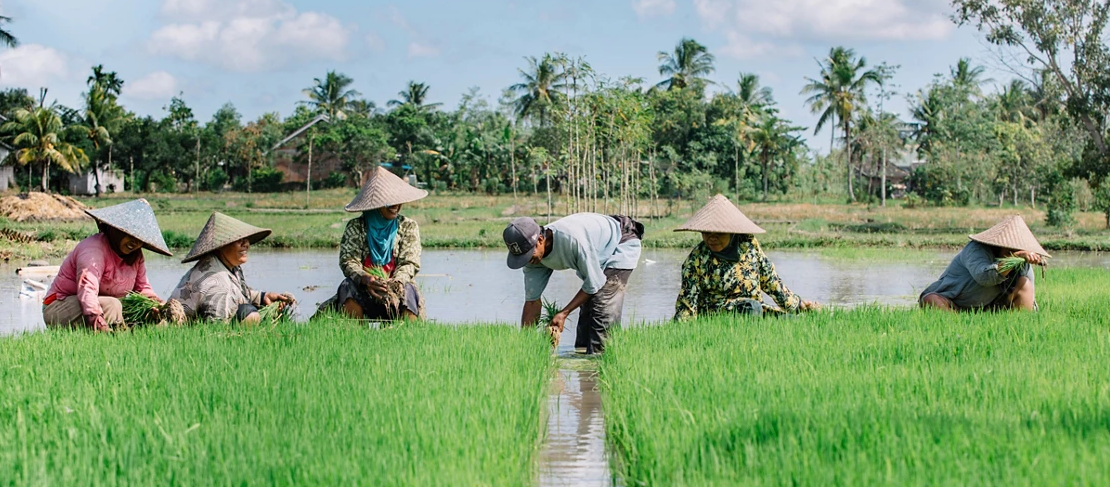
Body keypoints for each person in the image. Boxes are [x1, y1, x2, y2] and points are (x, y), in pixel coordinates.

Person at [503, 212, 643, 354]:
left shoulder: (571, 240)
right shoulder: (532, 259)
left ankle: (601, 361)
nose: (526, 261)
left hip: (620, 241)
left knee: (602, 305)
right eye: (522, 257)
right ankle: (583, 367)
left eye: (527, 255)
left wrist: (563, 313)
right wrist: (525, 347)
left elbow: (594, 282)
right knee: (587, 311)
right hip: (596, 251)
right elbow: (532, 303)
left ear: (540, 240)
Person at [673, 194, 820, 320]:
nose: (712, 238)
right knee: (751, 308)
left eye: (718, 233)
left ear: (731, 232)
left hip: (755, 309)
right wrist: (680, 328)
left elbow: (770, 280)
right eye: (706, 233)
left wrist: (797, 304)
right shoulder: (696, 259)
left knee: (791, 320)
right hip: (718, 313)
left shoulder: (749, 246)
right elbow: (687, 302)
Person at [42, 199, 173, 332]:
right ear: (116, 230)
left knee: (151, 315)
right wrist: (99, 324)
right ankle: (109, 339)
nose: (134, 243)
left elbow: (142, 288)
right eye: (129, 235)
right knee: (112, 305)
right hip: (59, 307)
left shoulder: (136, 256)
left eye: (140, 240)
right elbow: (88, 290)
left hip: (101, 305)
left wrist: (156, 304)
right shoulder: (93, 250)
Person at [318, 166, 427, 321]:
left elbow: (410, 262)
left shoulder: (407, 226)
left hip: (396, 286)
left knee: (409, 290)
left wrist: (396, 282)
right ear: (376, 205)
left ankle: (405, 335)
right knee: (347, 286)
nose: (396, 206)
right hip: (366, 287)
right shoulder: (357, 227)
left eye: (398, 201)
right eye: (389, 202)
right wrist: (365, 278)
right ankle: (355, 336)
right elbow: (349, 260)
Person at [170, 212, 295, 323]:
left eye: (246, 239)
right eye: (239, 240)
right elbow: (214, 326)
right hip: (187, 327)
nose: (246, 244)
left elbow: (235, 293)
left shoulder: (225, 264)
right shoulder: (216, 283)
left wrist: (262, 297)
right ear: (221, 245)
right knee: (249, 314)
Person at [920, 215, 1047, 312]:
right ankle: (959, 326)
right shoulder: (976, 250)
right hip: (956, 304)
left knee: (1025, 283)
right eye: (1010, 249)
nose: (1014, 252)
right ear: (1000, 245)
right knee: (931, 300)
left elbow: (1029, 295)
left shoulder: (1022, 261)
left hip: (992, 307)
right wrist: (1014, 258)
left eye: (1018, 249)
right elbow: (985, 278)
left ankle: (1018, 326)